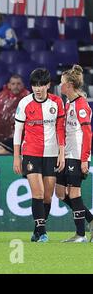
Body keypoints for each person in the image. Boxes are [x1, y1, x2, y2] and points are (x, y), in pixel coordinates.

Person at [13, 68, 65, 243]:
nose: (38, 88)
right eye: (35, 85)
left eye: (41, 84)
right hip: (31, 153)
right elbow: (18, 131)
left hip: (51, 154)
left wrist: (62, 153)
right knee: (38, 193)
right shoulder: (24, 103)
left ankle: (37, 230)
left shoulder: (57, 102)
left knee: (48, 196)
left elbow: (60, 129)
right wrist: (16, 157)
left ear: (48, 85)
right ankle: (43, 232)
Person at [55, 65, 93, 242]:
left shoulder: (81, 104)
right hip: (67, 153)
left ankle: (80, 235)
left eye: (62, 83)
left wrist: (84, 159)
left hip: (77, 154)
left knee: (75, 192)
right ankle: (91, 220)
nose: (59, 86)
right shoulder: (68, 103)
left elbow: (87, 133)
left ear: (69, 85)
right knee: (61, 193)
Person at [0, 75, 29, 145]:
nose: (16, 86)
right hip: (2, 137)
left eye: (18, 84)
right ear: (9, 85)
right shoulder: (0, 98)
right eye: (13, 84)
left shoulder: (28, 98)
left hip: (23, 137)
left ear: (23, 85)